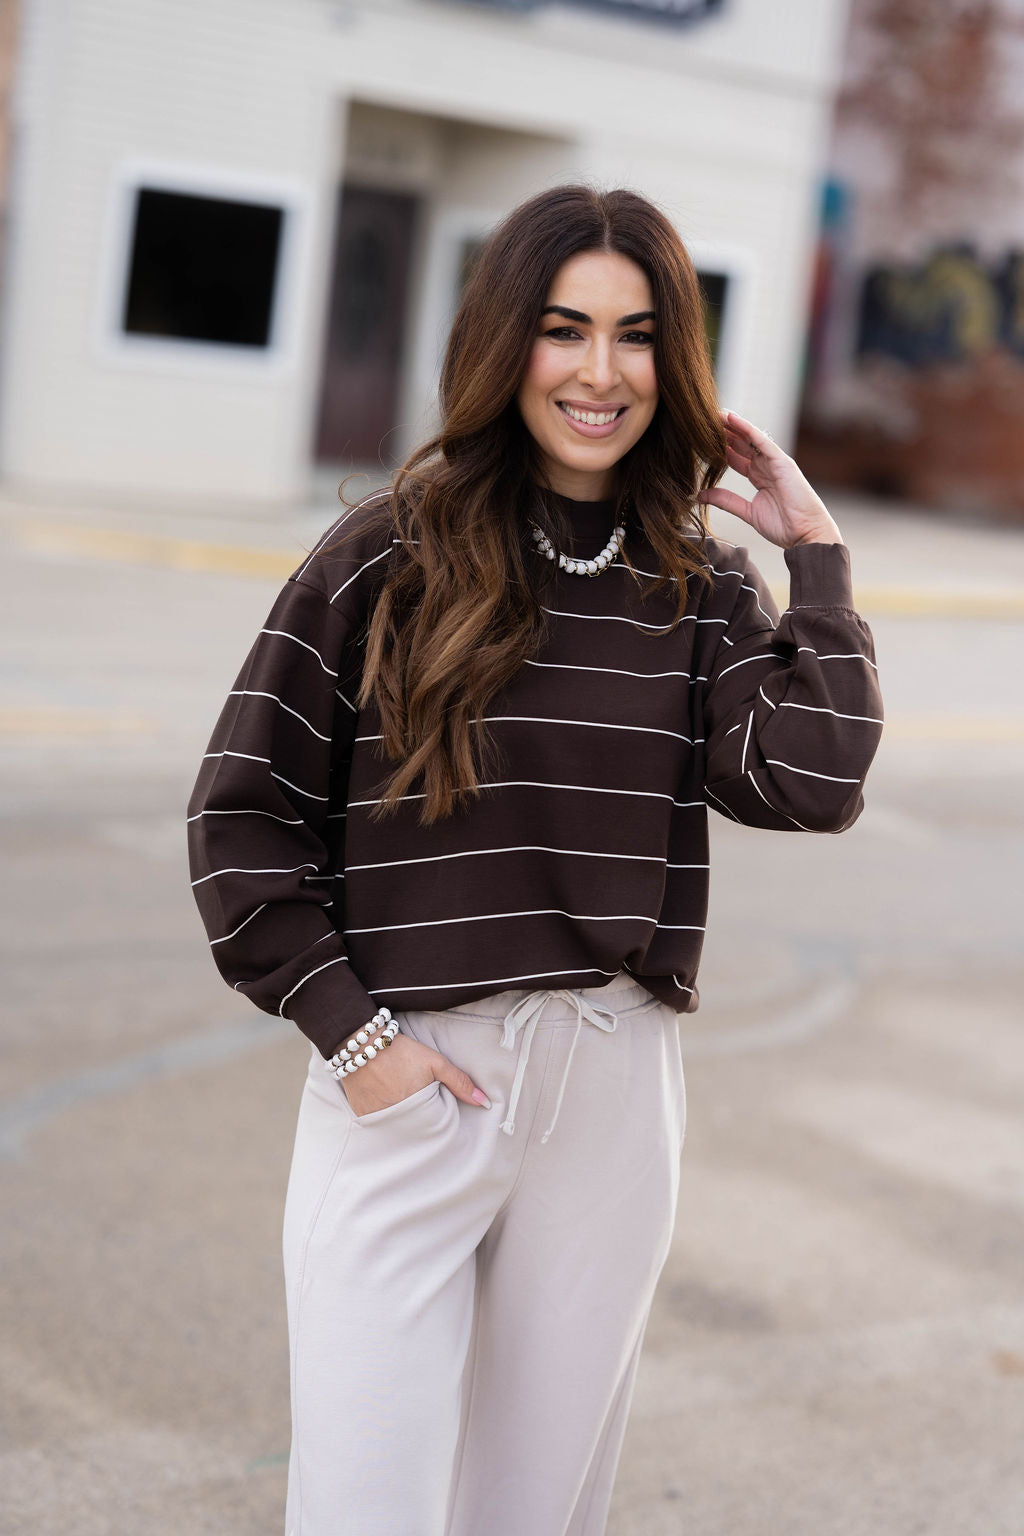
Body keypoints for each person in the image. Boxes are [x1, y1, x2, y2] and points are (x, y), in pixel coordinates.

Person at [187, 184, 883, 1536]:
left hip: (611, 1096)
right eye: (565, 330)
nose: (600, 373)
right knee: (364, 1508)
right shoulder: (383, 555)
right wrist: (357, 1042)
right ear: (507, 341)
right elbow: (241, 819)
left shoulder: (699, 582)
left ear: (674, 361)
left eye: (637, 335)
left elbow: (810, 780)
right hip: (408, 1080)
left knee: (531, 1515)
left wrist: (817, 556)